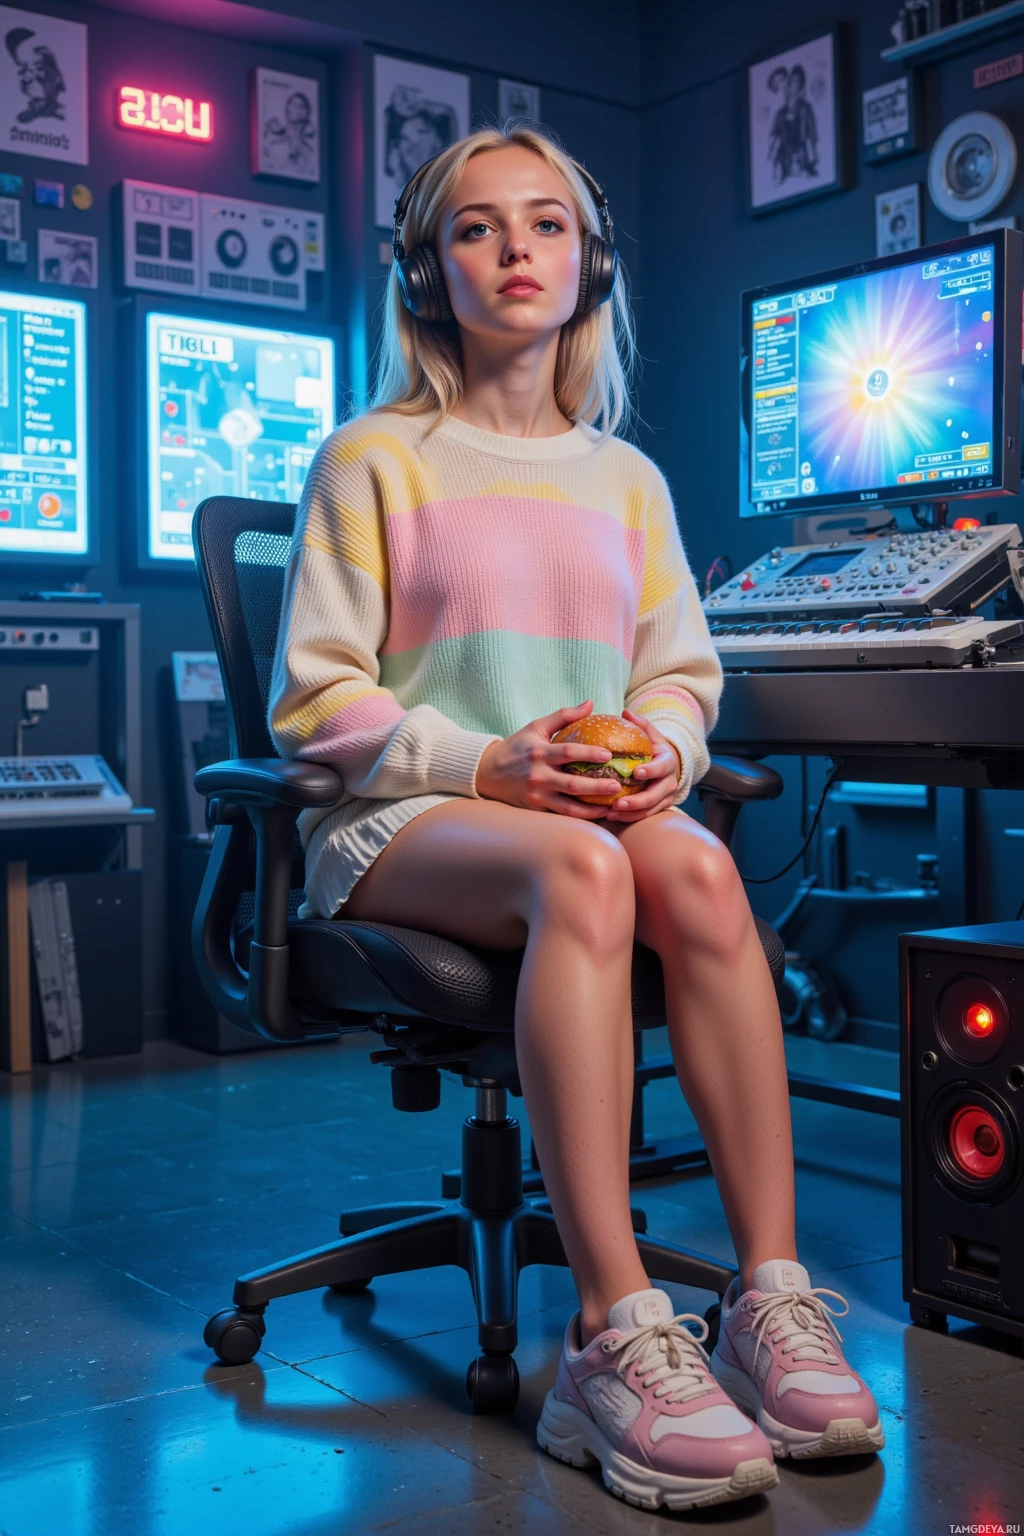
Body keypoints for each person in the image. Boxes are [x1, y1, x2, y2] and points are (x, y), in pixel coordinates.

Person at [267, 123, 884, 1513]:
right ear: (429, 275)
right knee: (588, 876)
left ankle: (768, 1296)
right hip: (407, 819)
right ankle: (616, 1321)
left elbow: (679, 674)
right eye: (478, 228)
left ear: (589, 263)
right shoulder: (374, 457)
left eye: (546, 224)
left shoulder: (628, 482)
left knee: (706, 877)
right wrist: (490, 763)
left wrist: (665, 749)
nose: (516, 251)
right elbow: (314, 708)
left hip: (580, 827)